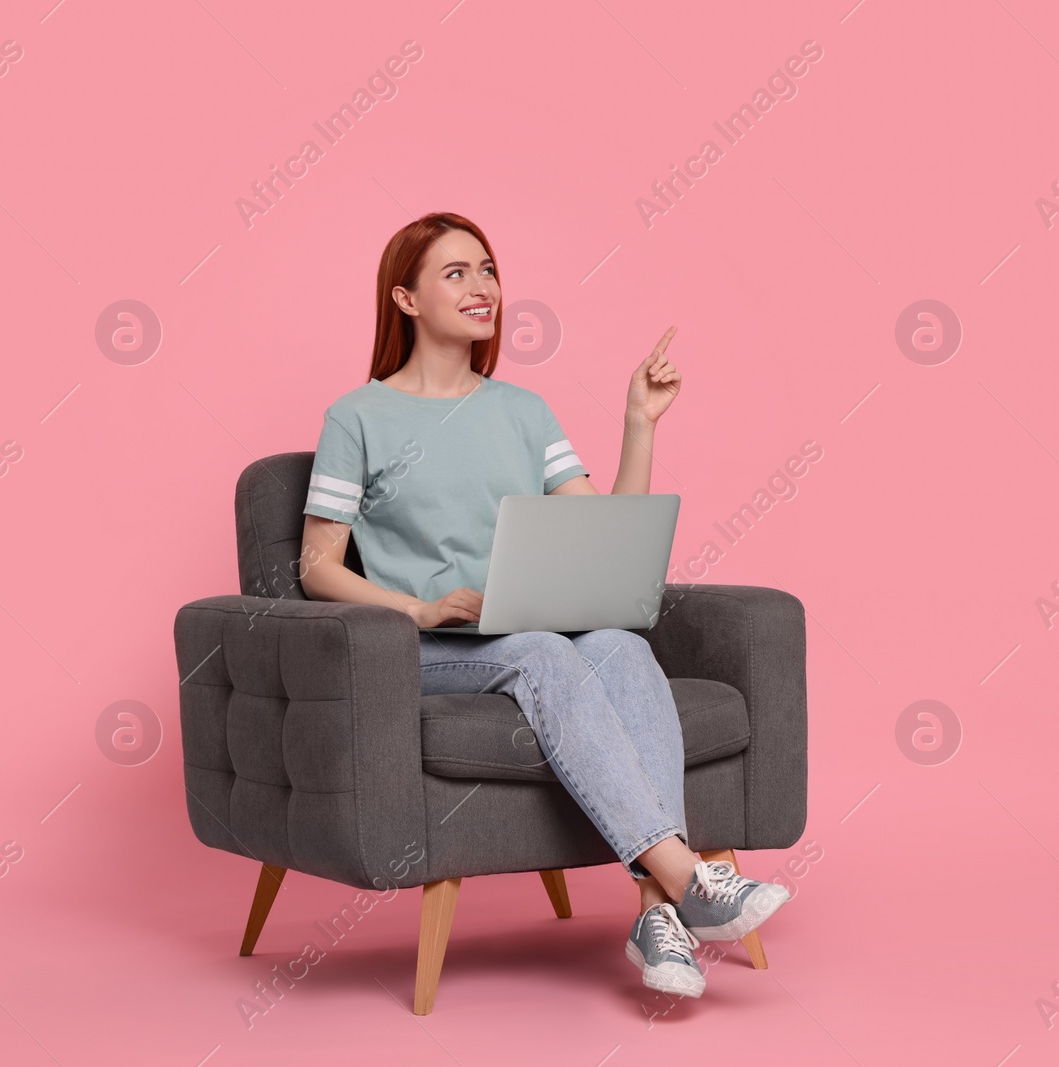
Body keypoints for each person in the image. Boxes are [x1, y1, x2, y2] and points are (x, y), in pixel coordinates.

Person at [297, 212, 787, 999]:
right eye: (455, 272)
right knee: (544, 650)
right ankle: (687, 876)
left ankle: (657, 911)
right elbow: (317, 565)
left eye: (488, 269)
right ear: (406, 299)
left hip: (521, 630)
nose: (482, 285)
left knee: (622, 647)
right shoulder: (357, 416)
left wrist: (639, 423)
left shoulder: (523, 410)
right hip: (421, 648)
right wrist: (417, 610)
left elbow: (605, 533)